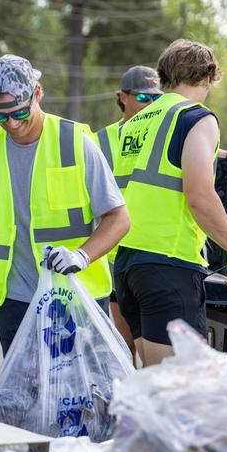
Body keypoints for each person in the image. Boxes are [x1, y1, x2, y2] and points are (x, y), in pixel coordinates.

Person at [0, 55, 129, 362]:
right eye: (1, 117)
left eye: (20, 112)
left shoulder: (75, 143)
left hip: (77, 298)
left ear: (37, 93)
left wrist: (82, 255)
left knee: (82, 399)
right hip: (17, 300)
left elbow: (119, 217)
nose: (12, 124)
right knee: (25, 396)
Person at [113, 39, 227, 367]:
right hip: (168, 263)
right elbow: (200, 197)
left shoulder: (135, 123)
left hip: (127, 263)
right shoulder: (195, 118)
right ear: (208, 77)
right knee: (177, 390)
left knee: (151, 381)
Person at [95, 65, 163, 365]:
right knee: (125, 347)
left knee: (152, 351)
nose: (151, 105)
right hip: (114, 256)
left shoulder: (164, 134)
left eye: (156, 98)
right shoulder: (99, 141)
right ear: (122, 97)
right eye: (143, 98)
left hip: (152, 252)